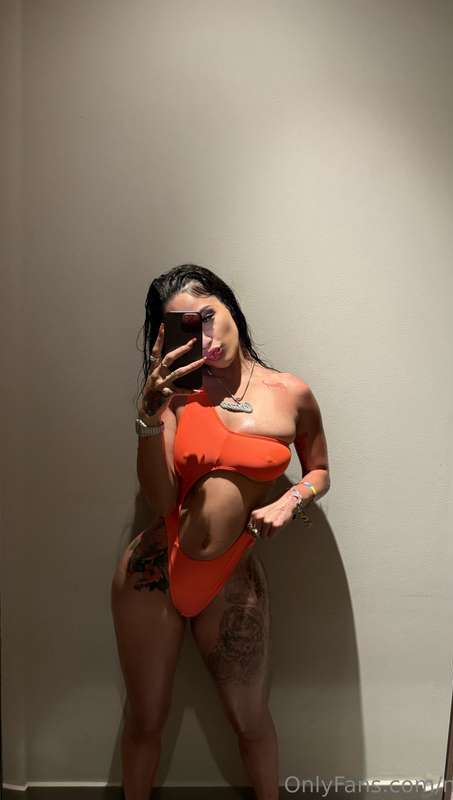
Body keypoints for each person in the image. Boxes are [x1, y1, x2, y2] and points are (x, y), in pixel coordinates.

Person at [111, 264, 330, 800]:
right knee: (145, 720)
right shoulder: (176, 398)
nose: (205, 339)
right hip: (154, 573)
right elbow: (161, 499)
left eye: (207, 317)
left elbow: (320, 470)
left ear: (230, 304)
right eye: (187, 330)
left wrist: (291, 500)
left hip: (232, 576)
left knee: (251, 721)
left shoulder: (290, 393)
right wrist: (148, 417)